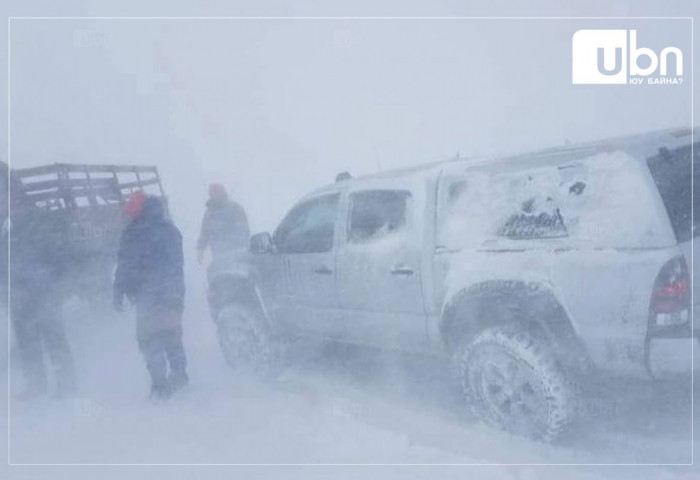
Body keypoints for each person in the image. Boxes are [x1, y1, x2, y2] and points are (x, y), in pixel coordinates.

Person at [113, 192, 187, 401]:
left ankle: (160, 385)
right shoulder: (169, 230)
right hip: (172, 292)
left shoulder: (132, 233)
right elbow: (176, 265)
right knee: (172, 334)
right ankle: (179, 373)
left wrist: (119, 290)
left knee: (150, 339)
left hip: (148, 296)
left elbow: (125, 264)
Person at [10, 201, 75, 399]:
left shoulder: (40, 235)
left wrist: (52, 288)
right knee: (29, 344)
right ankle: (37, 385)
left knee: (53, 340)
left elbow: (60, 264)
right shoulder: (10, 236)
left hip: (43, 297)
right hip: (22, 299)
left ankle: (66, 385)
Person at [196, 183, 250, 264]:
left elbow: (243, 231)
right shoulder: (209, 213)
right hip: (218, 255)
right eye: (213, 194)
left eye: (217, 193)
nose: (215, 196)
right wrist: (200, 249)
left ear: (223, 193)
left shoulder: (236, 209)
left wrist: (237, 246)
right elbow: (205, 232)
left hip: (237, 255)